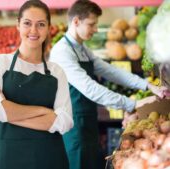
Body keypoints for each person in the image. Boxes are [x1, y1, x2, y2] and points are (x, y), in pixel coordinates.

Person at [49, 1, 170, 169]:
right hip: (72, 125)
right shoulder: (62, 52)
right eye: (92, 24)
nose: (96, 29)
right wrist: (132, 103)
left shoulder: (81, 49)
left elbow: (111, 71)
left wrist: (147, 86)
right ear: (76, 21)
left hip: (87, 120)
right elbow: (90, 88)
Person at [0, 1, 73, 169]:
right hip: (11, 159)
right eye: (27, 23)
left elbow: (65, 121)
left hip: (50, 158)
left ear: (48, 28)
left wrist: (9, 113)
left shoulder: (56, 71)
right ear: (18, 25)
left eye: (41, 24)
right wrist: (44, 112)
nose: (33, 31)